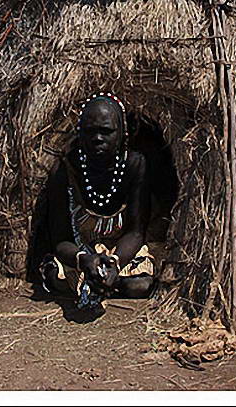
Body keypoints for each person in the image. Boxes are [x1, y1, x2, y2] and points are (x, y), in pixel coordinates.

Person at [39, 92, 155, 311]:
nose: (98, 138)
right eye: (90, 131)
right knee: (55, 277)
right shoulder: (66, 169)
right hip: (79, 253)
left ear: (121, 133)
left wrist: (114, 264)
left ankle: (103, 285)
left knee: (142, 285)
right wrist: (84, 261)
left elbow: (136, 232)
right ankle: (96, 283)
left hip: (120, 252)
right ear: (80, 133)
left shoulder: (135, 165)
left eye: (106, 131)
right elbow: (60, 239)